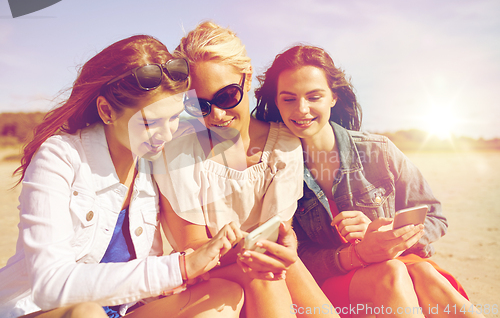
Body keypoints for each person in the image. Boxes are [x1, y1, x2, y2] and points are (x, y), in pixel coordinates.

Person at [0, 35, 244, 318]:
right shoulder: (59, 157)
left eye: (175, 117)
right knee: (87, 314)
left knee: (223, 294)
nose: (166, 135)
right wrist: (177, 269)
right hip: (41, 310)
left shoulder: (152, 157)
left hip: (123, 310)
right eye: (150, 122)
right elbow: (50, 285)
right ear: (106, 111)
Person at [253, 44, 486, 318]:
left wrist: (387, 230)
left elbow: (435, 218)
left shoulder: (378, 150)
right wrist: (357, 254)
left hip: (403, 266)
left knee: (420, 271)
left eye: (314, 96)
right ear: (277, 102)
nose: (301, 109)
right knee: (394, 272)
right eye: (289, 99)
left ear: (333, 97)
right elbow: (296, 256)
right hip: (331, 287)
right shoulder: (274, 165)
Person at [154, 22, 338, 317]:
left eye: (227, 96)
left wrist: (277, 248)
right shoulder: (177, 152)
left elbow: (278, 233)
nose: (217, 115)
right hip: (206, 278)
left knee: (277, 270)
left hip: (268, 266)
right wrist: (256, 250)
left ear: (247, 78)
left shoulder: (284, 146)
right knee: (266, 274)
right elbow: (194, 248)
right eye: (200, 105)